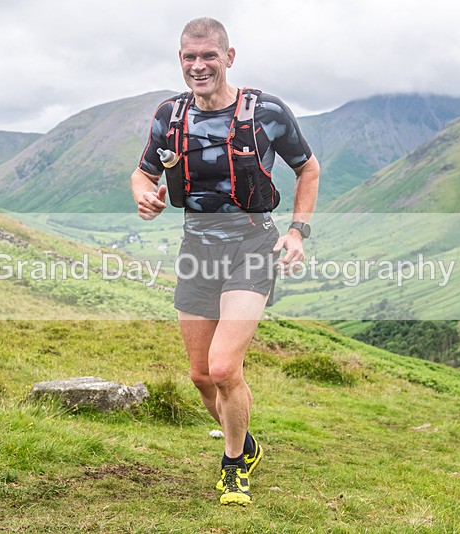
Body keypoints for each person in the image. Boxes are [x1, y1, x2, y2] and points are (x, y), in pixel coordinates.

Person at [131, 17, 319, 506]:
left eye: (209, 55)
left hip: (252, 244)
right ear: (180, 60)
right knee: (198, 375)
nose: (199, 66)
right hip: (197, 247)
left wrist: (298, 231)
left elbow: (308, 168)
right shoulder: (169, 116)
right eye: (190, 57)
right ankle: (246, 442)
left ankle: (234, 465)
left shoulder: (267, 112)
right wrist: (144, 196)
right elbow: (142, 171)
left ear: (228, 57)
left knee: (222, 367)